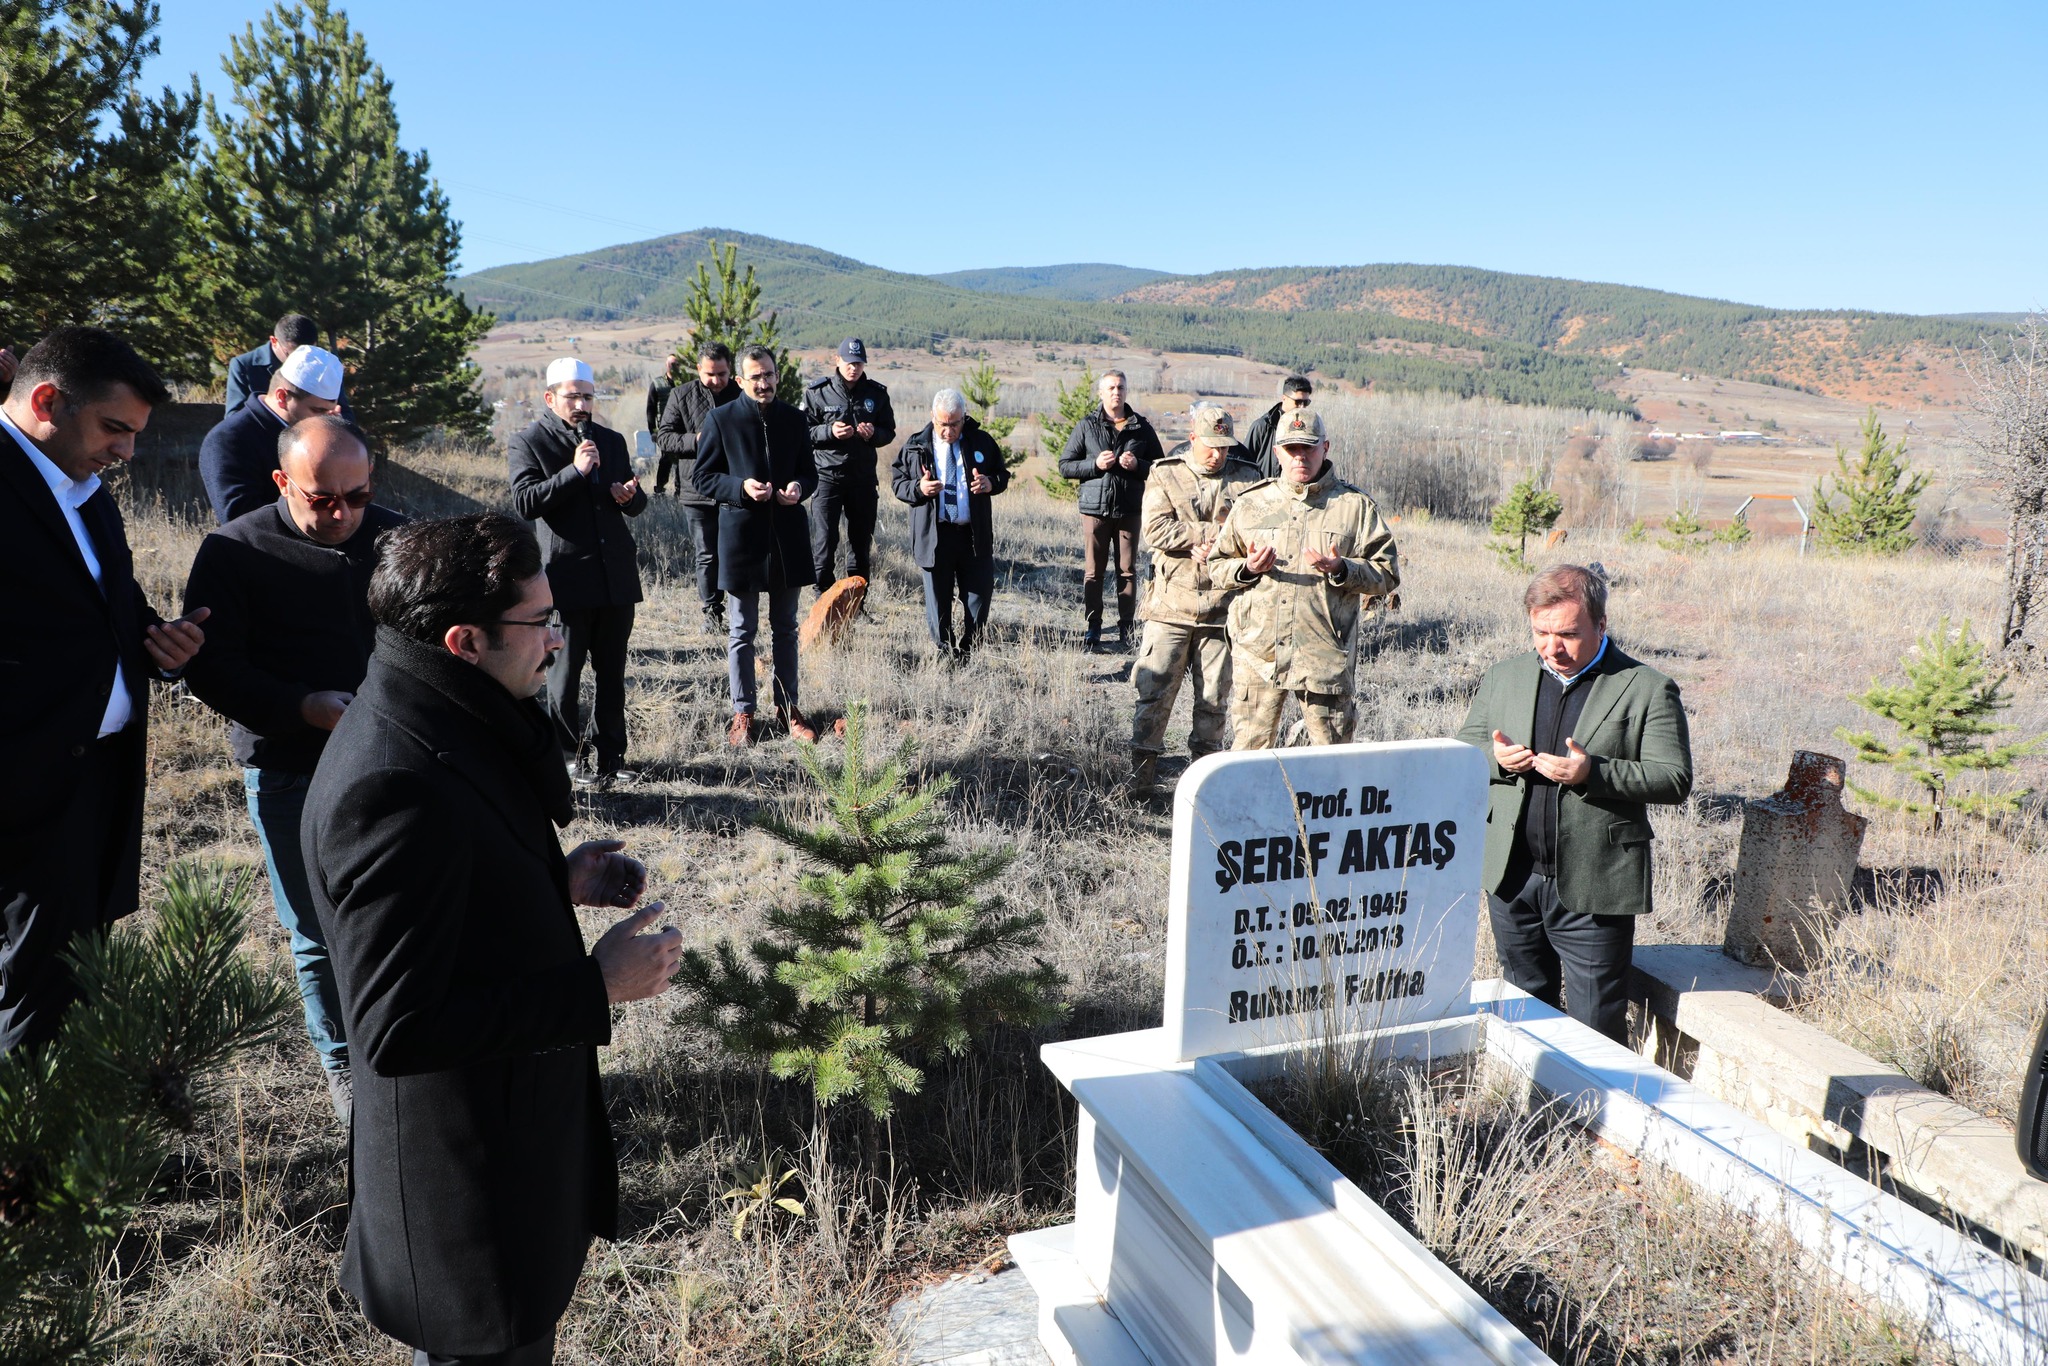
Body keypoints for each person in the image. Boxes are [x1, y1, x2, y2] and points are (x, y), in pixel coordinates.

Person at [303, 512, 682, 1365]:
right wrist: (598, 986)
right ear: (464, 639)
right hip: (466, 1207)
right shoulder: (395, 782)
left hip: (504, 1167)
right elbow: (398, 1027)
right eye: (538, 623)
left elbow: (453, 893)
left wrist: (553, 881)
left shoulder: (437, 707)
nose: (555, 640)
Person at [181, 415, 403, 1122]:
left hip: (397, 762)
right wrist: (301, 706)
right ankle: (344, 1065)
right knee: (316, 926)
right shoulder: (234, 551)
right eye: (321, 499)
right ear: (281, 482)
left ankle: (404, 1048)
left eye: (358, 496)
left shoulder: (398, 540)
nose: (343, 514)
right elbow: (212, 668)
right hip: (290, 769)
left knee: (403, 911)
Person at [0, 327, 209, 1055]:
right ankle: (29, 1161)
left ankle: (69, 1147)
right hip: (22, 792)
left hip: (96, 782)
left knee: (72, 986)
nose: (126, 452)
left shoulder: (85, 492)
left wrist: (157, 642)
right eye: (114, 428)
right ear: (49, 400)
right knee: (29, 1001)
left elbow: (99, 604)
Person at [1456, 564, 1693, 1043]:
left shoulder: (1646, 687)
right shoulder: (1505, 676)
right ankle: (1536, 1107)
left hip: (1594, 884)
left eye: (1567, 634)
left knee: (1595, 1025)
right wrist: (1497, 759)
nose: (1551, 648)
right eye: (1540, 633)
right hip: (1512, 879)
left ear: (1601, 626)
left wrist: (1595, 773)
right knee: (1524, 1009)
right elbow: (1465, 750)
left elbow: (1674, 779)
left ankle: (1593, 1116)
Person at [1209, 409, 1399, 749]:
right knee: (1249, 757)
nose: (1300, 456)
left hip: (1324, 657)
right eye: (1292, 448)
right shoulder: (1252, 503)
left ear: (1325, 448)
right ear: (1277, 452)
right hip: (1259, 654)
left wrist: (1344, 569)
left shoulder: (1354, 507)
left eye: (1308, 448)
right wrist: (1247, 569)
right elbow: (1217, 565)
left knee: (1330, 763)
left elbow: (1387, 573)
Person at [508, 358, 648, 789]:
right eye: (573, 396)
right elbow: (525, 502)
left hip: (615, 578)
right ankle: (568, 760)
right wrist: (576, 471)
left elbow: (636, 504)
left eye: (588, 395)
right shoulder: (528, 441)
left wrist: (628, 497)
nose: (583, 404)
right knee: (564, 679)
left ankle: (611, 759)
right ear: (551, 398)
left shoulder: (610, 439)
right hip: (566, 580)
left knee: (612, 676)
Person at [1129, 405, 1262, 793]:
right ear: (1193, 439)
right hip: (1171, 607)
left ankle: (1204, 790)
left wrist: (1224, 546)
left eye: (1224, 446)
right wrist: (1205, 536)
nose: (1217, 454)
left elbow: (1256, 533)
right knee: (1153, 696)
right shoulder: (1166, 473)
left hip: (1222, 611)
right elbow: (1155, 529)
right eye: (1210, 446)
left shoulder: (1248, 480)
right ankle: (1141, 784)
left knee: (1213, 704)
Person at [695, 345, 819, 746]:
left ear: (777, 376)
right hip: (742, 539)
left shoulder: (795, 420)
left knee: (786, 628)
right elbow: (703, 477)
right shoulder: (720, 419)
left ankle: (787, 709)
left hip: (786, 538)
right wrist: (740, 487)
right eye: (755, 377)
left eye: (769, 375)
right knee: (741, 630)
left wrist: (799, 487)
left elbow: (810, 473)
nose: (763, 383)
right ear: (740, 381)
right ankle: (743, 713)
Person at [891, 388, 1009, 660]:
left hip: (972, 535)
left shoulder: (981, 442)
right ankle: (944, 653)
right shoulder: (915, 446)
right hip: (935, 536)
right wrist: (919, 488)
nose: (949, 431)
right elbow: (898, 484)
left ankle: (968, 650)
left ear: (964, 417)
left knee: (979, 598)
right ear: (933, 418)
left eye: (955, 424)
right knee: (938, 601)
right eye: (943, 424)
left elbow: (1002, 475)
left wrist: (991, 483)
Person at [1056, 370, 1162, 651]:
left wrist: (1138, 465)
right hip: (1095, 510)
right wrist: (1094, 465)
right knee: (1094, 572)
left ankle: (1127, 629)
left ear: (1127, 392)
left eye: (1121, 387)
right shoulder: (1087, 426)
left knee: (1127, 571)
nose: (1116, 392)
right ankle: (1094, 628)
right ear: (1101, 393)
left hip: (1129, 509)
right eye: (1111, 388)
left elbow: (1162, 467)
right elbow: (1065, 465)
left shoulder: (1141, 427)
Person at [200, 343, 344, 524]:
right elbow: (240, 519)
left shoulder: (319, 431)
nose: (325, 419)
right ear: (282, 397)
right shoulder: (229, 440)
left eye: (330, 412)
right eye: (317, 410)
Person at [655, 343, 741, 634]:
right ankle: (712, 613)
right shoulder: (682, 395)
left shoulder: (741, 395)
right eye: (710, 374)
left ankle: (739, 610)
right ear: (698, 369)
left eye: (722, 373)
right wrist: (696, 440)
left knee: (735, 551)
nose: (717, 380)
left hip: (735, 489)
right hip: (696, 491)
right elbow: (665, 439)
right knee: (707, 554)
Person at [804, 338, 896, 591]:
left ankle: (856, 604)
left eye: (858, 363)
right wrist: (829, 432)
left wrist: (873, 434)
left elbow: (889, 432)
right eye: (848, 362)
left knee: (860, 546)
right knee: (825, 543)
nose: (853, 368)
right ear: (837, 360)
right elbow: (804, 432)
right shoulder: (817, 392)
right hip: (827, 478)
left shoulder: (877, 394)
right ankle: (823, 598)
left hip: (862, 480)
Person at [223, 312, 350, 417]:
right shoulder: (244, 365)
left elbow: (345, 412)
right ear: (274, 341)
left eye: (309, 353)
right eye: (292, 354)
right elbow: (233, 417)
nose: (303, 361)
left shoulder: (323, 365)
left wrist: (335, 421)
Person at [1246, 374, 1313, 480]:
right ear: (1284, 398)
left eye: (1306, 402)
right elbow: (1245, 464)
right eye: (1298, 402)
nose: (1302, 407)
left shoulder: (1310, 428)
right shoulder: (1263, 426)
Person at [645, 353, 683, 465]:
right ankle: (660, 483)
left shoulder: (685, 383)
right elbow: (650, 408)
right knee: (666, 459)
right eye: (672, 364)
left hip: (683, 428)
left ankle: (679, 483)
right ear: (667, 365)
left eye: (677, 364)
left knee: (683, 461)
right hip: (665, 428)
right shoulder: (657, 384)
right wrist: (653, 431)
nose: (674, 366)